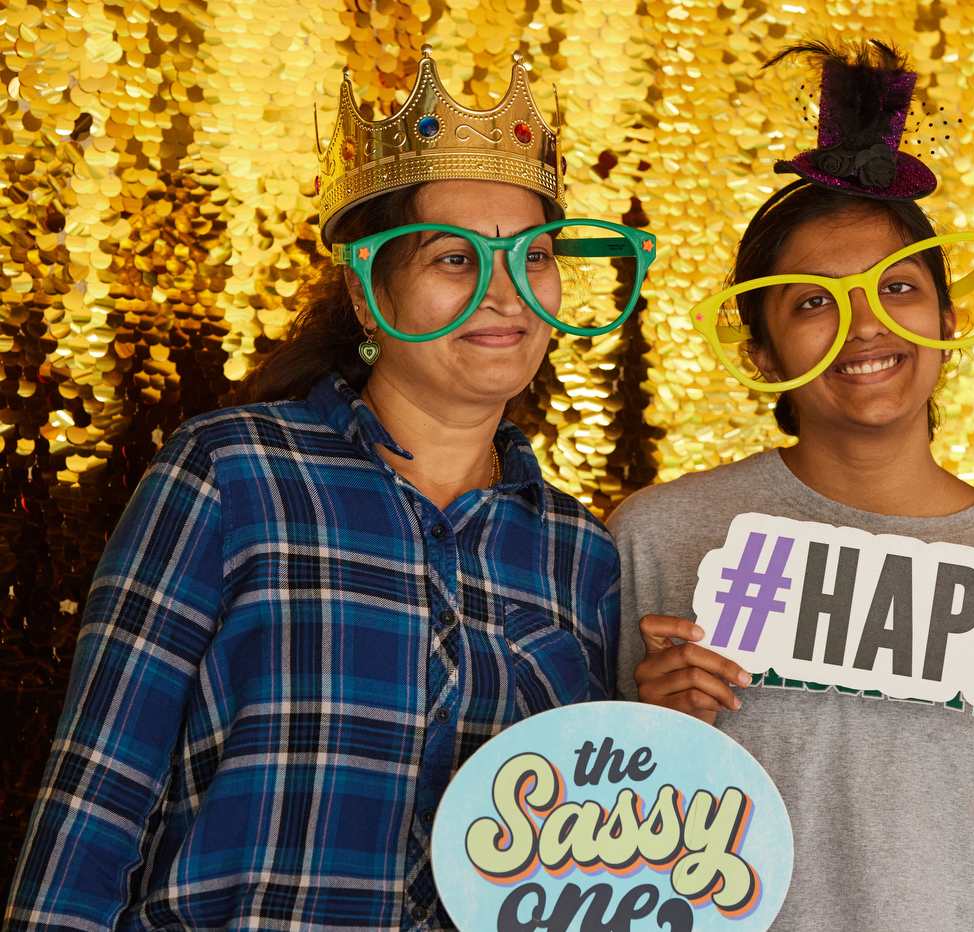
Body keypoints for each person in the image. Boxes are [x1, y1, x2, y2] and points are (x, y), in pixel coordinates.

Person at [5, 49, 657, 931]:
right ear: (364, 289)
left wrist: (660, 738)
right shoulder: (232, 474)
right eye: (454, 260)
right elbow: (99, 791)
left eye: (534, 256)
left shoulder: (580, 552)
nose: (506, 294)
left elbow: (575, 866)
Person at [609, 40, 974, 931]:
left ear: (949, 318)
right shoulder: (662, 536)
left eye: (901, 287)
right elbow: (583, 842)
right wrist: (638, 740)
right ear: (760, 353)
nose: (864, 326)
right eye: (811, 302)